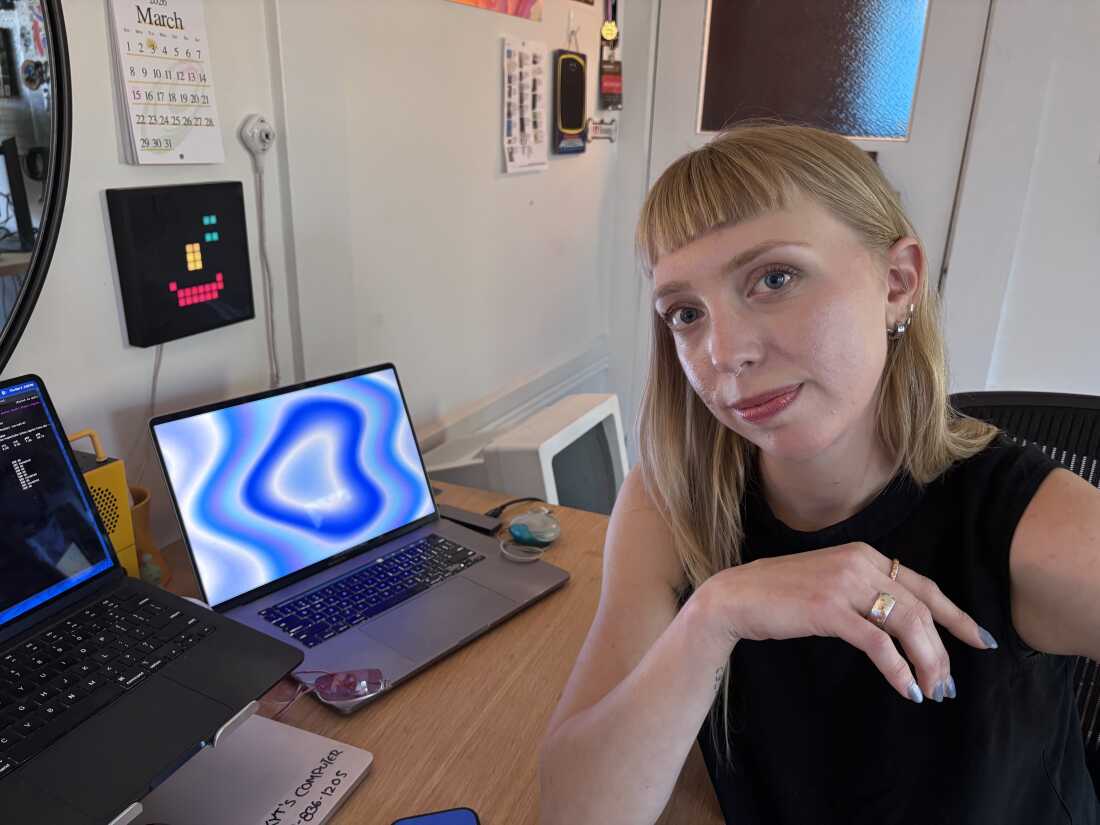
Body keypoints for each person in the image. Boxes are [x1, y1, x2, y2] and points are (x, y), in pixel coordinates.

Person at [537, 121, 1100, 824]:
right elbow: (573, 813)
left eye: (774, 278)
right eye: (686, 312)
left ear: (897, 283)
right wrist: (716, 614)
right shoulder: (673, 499)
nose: (724, 352)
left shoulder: (1025, 519)